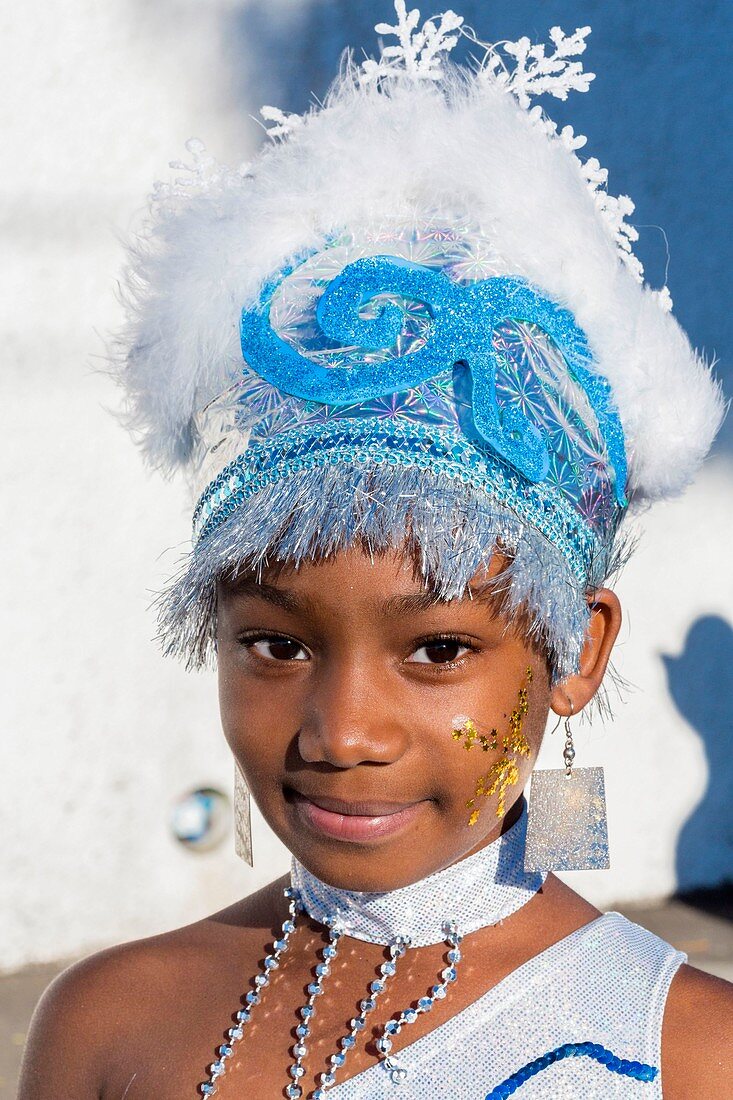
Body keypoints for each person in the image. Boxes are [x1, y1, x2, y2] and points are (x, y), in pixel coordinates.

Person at [18, 5, 732, 1098]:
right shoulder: (110, 1025)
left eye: (438, 647)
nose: (341, 731)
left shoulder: (684, 1055)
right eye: (274, 641)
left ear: (574, 648)